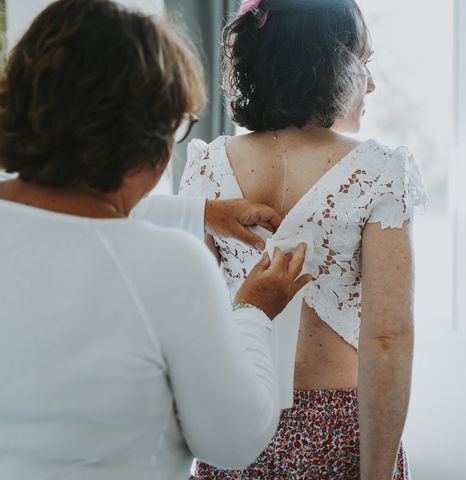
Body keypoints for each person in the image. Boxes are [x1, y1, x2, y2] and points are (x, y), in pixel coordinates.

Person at [0, 1, 312, 479]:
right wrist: (252, 313)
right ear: (147, 137)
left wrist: (201, 212)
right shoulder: (170, 267)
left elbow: (68, 212)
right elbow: (234, 440)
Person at [179, 0, 427, 478]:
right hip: (340, 429)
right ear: (329, 66)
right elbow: (388, 335)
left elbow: (196, 324)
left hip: (239, 416)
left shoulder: (205, 167)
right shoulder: (380, 171)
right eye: (364, 63)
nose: (370, 84)